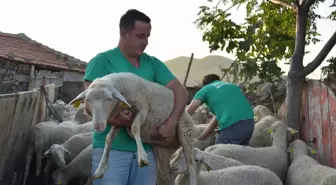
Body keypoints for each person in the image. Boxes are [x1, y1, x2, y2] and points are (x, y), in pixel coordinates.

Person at [84, 9, 188, 185]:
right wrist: (115, 120)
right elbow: (89, 103)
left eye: (148, 36)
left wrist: (171, 123)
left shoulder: (153, 64)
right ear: (124, 33)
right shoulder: (102, 61)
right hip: (112, 152)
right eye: (140, 36)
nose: (145, 42)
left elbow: (181, 92)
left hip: (147, 150)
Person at [186, 74, 254, 145]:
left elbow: (189, 111)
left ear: (205, 84)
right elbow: (216, 120)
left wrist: (176, 124)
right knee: (239, 154)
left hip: (232, 125)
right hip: (249, 123)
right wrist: (202, 137)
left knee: (218, 152)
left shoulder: (205, 89)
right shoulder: (231, 86)